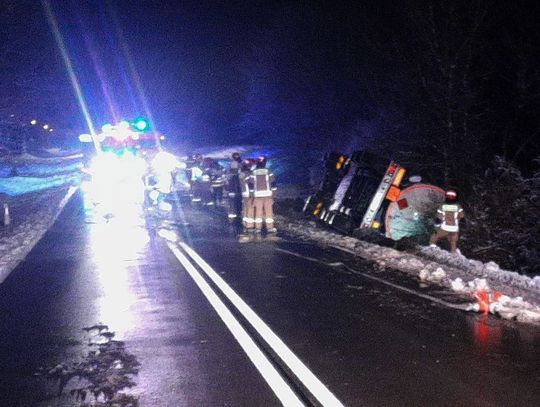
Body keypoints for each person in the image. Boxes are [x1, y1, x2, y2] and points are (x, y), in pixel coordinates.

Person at [429, 189, 465, 253]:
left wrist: (436, 227)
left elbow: (439, 219)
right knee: (453, 242)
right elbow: (462, 217)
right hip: (454, 229)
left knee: (435, 236)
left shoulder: (442, 206)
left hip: (444, 228)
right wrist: (462, 224)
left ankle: (432, 247)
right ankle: (453, 253)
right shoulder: (458, 207)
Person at [248, 156, 277, 233]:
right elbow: (273, 183)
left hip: (257, 195)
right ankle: (270, 228)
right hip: (268, 195)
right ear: (265, 163)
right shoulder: (269, 171)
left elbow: (250, 184)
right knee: (269, 212)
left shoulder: (253, 172)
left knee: (258, 212)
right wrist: (273, 194)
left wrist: (251, 194)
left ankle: (258, 228)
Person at [240, 159, 255, 232]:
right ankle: (250, 225)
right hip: (249, 193)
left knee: (245, 208)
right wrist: (252, 193)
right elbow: (251, 183)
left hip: (243, 193)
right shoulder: (249, 173)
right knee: (250, 208)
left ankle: (245, 223)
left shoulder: (241, 173)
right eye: (251, 164)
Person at [227, 152, 243, 220]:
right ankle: (236, 212)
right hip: (236, 185)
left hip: (236, 185)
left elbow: (231, 175)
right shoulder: (236, 163)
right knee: (236, 199)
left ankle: (236, 212)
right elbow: (234, 174)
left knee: (236, 199)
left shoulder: (237, 163)